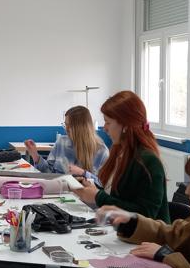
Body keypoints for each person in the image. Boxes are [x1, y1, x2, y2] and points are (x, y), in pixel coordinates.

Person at [72, 91, 169, 221]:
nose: (105, 128)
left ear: (125, 126)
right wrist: (92, 188)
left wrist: (97, 196)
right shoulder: (119, 152)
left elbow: (146, 214)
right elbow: (116, 196)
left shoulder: (148, 161)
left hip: (145, 234)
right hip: (119, 229)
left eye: (108, 122)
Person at [24, 105, 109, 184]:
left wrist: (83, 173)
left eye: (70, 125)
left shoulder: (101, 151)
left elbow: (103, 184)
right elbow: (49, 172)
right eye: (65, 124)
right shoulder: (61, 142)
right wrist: (35, 155)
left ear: (81, 127)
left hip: (82, 194)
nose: (66, 129)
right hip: (58, 191)